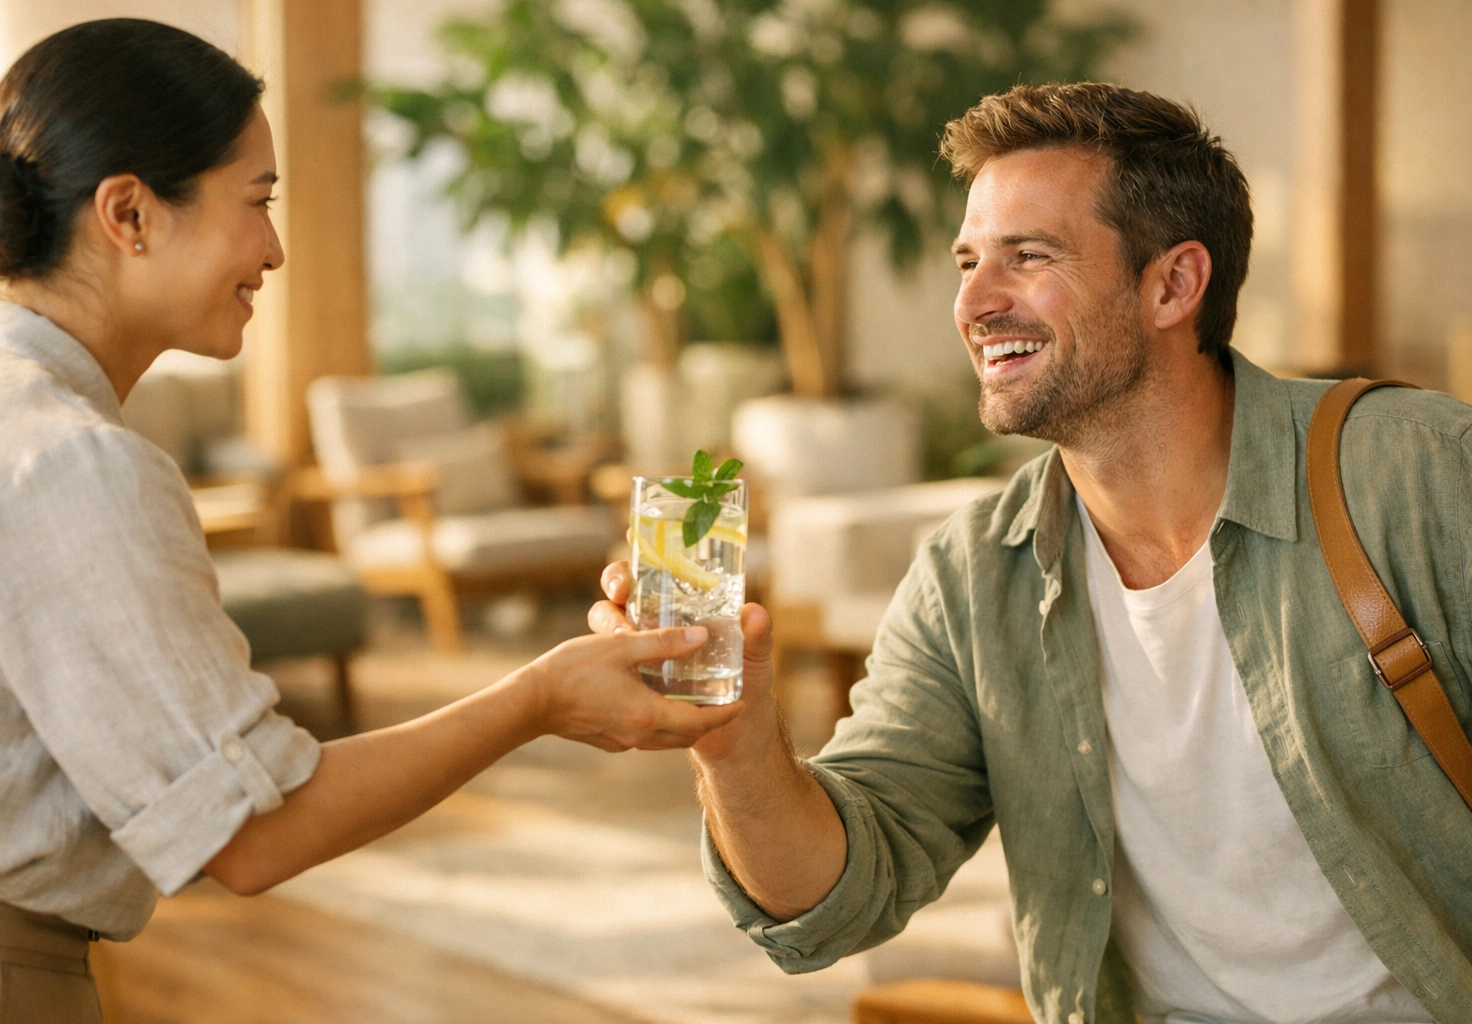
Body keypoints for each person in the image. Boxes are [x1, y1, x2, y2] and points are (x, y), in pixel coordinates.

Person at [592, 83, 1472, 1023]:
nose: (973, 300)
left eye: (1028, 256)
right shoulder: (973, 575)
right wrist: (734, 747)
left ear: (1174, 283)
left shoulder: (1419, 478)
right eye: (968, 260)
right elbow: (830, 904)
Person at [0, 19, 738, 1022]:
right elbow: (256, 834)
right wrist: (536, 700)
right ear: (130, 213)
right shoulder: (68, 460)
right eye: (256, 203)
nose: (273, 250)